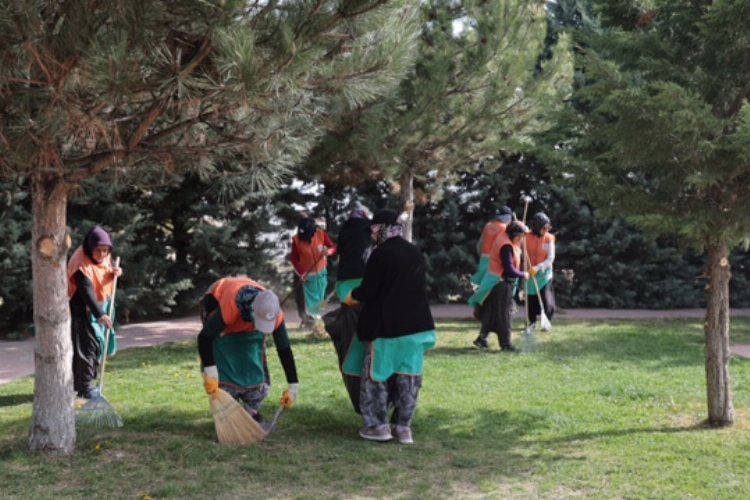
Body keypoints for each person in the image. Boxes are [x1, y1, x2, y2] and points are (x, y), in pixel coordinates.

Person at [343, 209, 436, 445]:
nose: (372, 235)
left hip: (387, 329)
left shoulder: (381, 254)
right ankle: (404, 428)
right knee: (409, 380)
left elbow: (369, 291)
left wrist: (352, 295)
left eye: (373, 231)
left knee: (376, 379)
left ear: (380, 229)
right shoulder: (413, 252)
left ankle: (378, 427)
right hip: (417, 329)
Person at [198, 277, 299, 420]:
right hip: (217, 305)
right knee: (224, 356)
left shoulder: (274, 313)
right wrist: (211, 373)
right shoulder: (230, 306)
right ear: (251, 310)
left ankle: (251, 409)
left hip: (245, 317)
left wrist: (293, 386)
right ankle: (228, 408)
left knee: (252, 362)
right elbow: (205, 338)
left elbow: (284, 348)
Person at [67, 226, 123, 399]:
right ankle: (84, 387)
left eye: (105, 251)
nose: (102, 255)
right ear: (90, 247)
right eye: (98, 251)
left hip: (100, 305)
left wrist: (116, 271)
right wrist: (100, 314)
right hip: (81, 309)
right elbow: (86, 292)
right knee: (86, 348)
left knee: (98, 344)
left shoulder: (104, 256)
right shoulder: (80, 264)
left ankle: (90, 380)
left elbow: (106, 270)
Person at [467, 221, 530, 351]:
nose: (522, 239)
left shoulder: (507, 239)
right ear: (514, 234)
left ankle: (482, 338)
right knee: (504, 314)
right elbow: (509, 269)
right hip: (500, 282)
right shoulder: (505, 246)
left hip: (495, 281)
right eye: (521, 236)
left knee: (490, 312)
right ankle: (506, 344)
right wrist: (523, 274)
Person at [290, 216, 336, 330]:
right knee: (311, 301)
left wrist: (328, 252)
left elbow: (333, 247)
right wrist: (302, 272)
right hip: (308, 276)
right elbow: (294, 258)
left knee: (321, 298)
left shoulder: (321, 234)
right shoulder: (296, 240)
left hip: (321, 274)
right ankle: (312, 322)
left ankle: (316, 321)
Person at [334, 203, 373, 301]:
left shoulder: (343, 228)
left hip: (344, 276)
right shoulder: (369, 226)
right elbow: (386, 233)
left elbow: (339, 251)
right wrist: (405, 214)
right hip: (363, 274)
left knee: (348, 309)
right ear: (363, 214)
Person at [525, 212, 556, 329]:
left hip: (544, 274)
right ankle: (531, 322)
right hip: (530, 273)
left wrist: (538, 267)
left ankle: (547, 322)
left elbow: (550, 259)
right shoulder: (526, 237)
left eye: (548, 227)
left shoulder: (549, 238)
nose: (546, 230)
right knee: (531, 299)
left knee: (547, 299)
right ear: (537, 227)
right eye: (544, 228)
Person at [471, 206, 514, 286]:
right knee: (493, 286)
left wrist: (481, 256)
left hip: (484, 258)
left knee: (481, 285)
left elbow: (480, 243)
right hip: (496, 261)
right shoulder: (505, 229)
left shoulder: (488, 226)